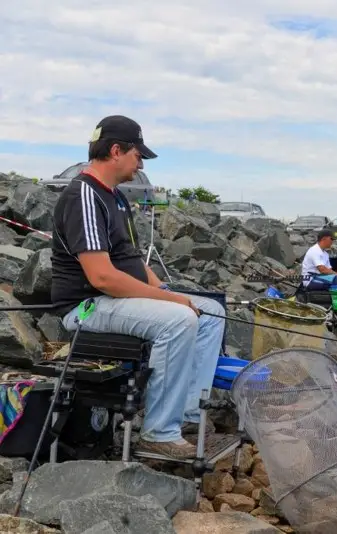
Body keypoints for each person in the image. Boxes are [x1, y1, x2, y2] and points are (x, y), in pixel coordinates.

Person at [50, 115, 226, 460]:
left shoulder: (115, 199)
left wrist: (169, 289)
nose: (141, 162)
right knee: (178, 320)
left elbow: (131, 261)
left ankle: (187, 415)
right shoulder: (83, 195)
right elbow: (102, 277)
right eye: (137, 154)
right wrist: (171, 301)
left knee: (211, 312)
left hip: (115, 300)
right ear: (116, 150)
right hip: (86, 306)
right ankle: (159, 432)